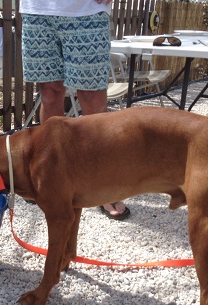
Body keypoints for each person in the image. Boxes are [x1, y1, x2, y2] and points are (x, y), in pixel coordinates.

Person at [19, 0, 130, 220]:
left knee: (92, 98)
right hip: (38, 10)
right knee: (49, 94)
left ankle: (102, 183)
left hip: (86, 10)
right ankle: (51, 176)